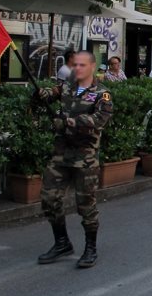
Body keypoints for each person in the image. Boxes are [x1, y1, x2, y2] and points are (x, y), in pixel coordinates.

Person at [35, 51, 113, 269]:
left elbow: (99, 120)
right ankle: (61, 242)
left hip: (84, 158)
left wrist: (69, 122)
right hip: (60, 155)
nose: (78, 69)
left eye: (82, 65)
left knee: (85, 204)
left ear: (92, 67)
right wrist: (41, 94)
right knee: (49, 199)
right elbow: (50, 94)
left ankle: (90, 248)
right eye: (75, 65)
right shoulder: (67, 88)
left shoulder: (102, 94)